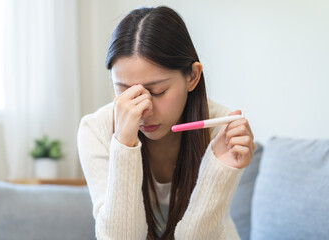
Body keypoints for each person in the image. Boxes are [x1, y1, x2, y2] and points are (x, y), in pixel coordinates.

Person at [77, 6, 256, 240]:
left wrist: (220, 170)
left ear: (192, 76)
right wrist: (124, 143)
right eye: (124, 91)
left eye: (157, 91)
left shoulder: (221, 128)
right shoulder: (96, 129)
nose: (142, 109)